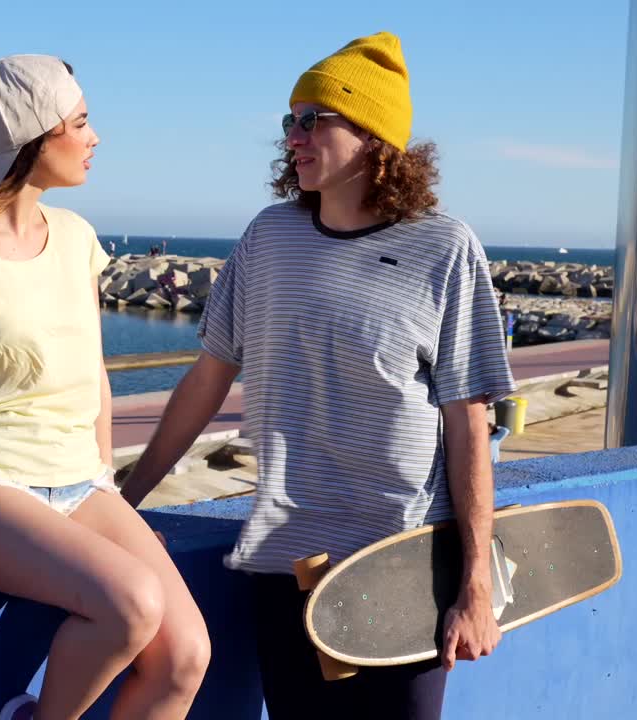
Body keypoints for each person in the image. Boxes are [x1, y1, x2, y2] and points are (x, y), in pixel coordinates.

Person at [121, 32, 515, 720]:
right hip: (287, 566)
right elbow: (205, 381)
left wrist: (474, 585)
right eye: (288, 121)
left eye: (314, 120)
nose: (293, 137)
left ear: (373, 135)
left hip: (406, 566)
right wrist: (125, 501)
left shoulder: (445, 248)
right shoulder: (268, 240)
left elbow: (468, 425)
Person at [0, 54, 209, 720]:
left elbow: (93, 379)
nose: (95, 137)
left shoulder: (78, 239)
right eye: (80, 121)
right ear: (34, 138)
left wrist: (111, 492)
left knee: (185, 657)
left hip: (80, 482)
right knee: (132, 603)